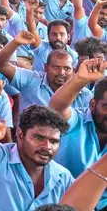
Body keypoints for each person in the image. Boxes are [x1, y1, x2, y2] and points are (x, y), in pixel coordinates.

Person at [49, 58, 107, 210]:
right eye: (106, 107)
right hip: (63, 203)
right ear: (92, 104)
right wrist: (80, 80)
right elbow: (55, 110)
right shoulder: (77, 120)